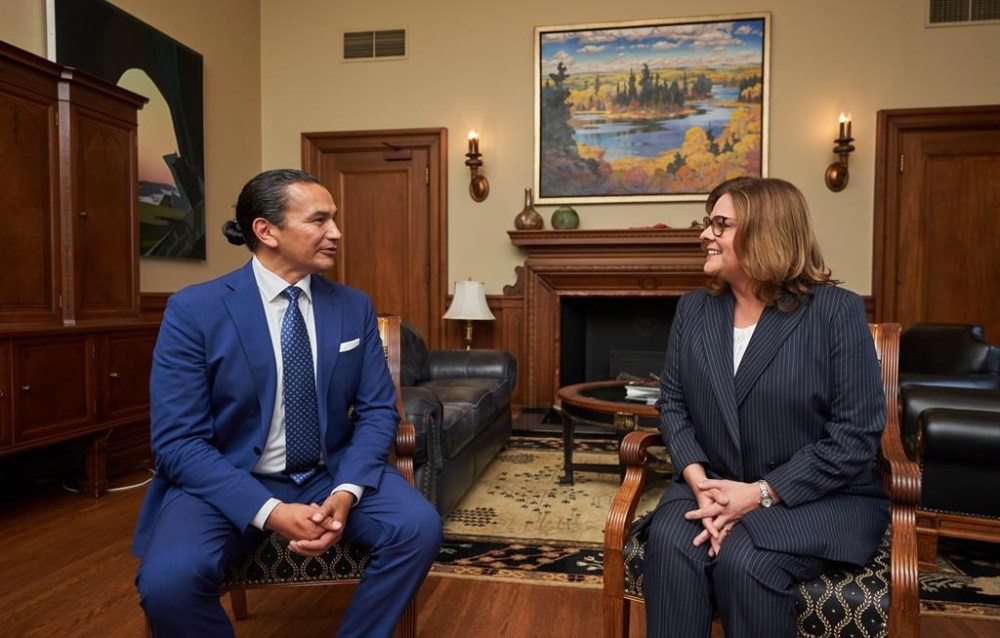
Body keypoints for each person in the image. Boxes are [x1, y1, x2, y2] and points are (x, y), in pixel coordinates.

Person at [132, 168, 442, 637]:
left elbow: (379, 410)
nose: (335, 233)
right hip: (228, 478)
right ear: (266, 231)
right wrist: (271, 511)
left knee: (418, 528)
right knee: (167, 582)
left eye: (334, 219)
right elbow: (178, 443)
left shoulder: (353, 306)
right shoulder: (194, 311)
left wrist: (345, 491)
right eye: (319, 220)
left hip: (329, 472)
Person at [642, 176, 888, 637]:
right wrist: (700, 483)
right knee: (672, 543)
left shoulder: (836, 312)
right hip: (710, 487)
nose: (704, 234)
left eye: (721, 224)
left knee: (745, 562)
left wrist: (757, 495)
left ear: (767, 232)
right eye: (706, 222)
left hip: (816, 498)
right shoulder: (694, 309)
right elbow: (672, 403)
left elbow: (854, 437)